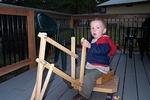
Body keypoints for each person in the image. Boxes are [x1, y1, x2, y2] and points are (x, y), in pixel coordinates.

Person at [73, 17, 117, 100]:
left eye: (97, 28)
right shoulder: (92, 40)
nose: (94, 30)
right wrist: (85, 46)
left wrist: (89, 46)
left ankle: (83, 95)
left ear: (104, 30)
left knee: (89, 77)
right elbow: (89, 52)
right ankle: (70, 81)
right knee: (78, 70)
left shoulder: (105, 40)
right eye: (92, 28)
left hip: (100, 68)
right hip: (90, 65)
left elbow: (102, 51)